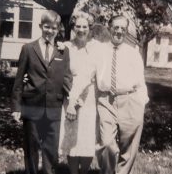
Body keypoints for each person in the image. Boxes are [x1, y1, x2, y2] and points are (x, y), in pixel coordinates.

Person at [11, 10, 72, 174]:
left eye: (53, 28)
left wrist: (71, 101)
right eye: (47, 27)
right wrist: (16, 107)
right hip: (31, 106)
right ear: (40, 26)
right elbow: (18, 81)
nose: (50, 31)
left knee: (51, 149)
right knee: (31, 147)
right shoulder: (28, 48)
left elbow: (67, 78)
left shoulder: (63, 51)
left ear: (58, 29)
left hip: (54, 107)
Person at [96, 15, 149, 174]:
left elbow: (140, 80)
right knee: (106, 143)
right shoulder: (98, 49)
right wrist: (64, 45)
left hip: (130, 100)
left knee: (129, 147)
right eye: (116, 27)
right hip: (106, 100)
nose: (119, 31)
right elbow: (78, 46)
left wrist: (141, 103)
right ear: (109, 28)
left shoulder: (133, 53)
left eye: (123, 29)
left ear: (126, 32)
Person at [58, 14, 102, 174]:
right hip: (69, 94)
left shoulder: (97, 48)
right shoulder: (65, 47)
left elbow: (88, 75)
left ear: (90, 28)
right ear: (73, 27)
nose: (81, 30)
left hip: (87, 96)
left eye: (85, 26)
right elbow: (58, 72)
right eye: (78, 26)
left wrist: (73, 101)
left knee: (86, 136)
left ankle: (83, 172)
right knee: (71, 137)